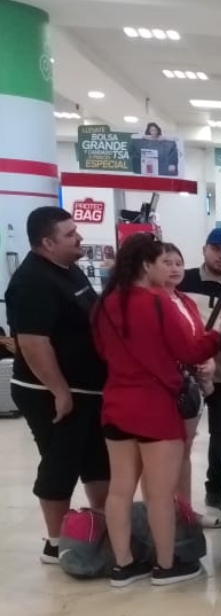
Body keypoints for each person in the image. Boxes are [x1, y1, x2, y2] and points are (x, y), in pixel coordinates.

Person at [93, 233, 221, 586]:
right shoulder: (156, 302)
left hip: (116, 403)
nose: (166, 267)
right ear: (147, 265)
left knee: (119, 489)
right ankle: (166, 566)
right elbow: (192, 350)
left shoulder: (104, 303)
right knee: (160, 494)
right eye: (160, 261)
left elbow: (103, 352)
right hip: (155, 407)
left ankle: (123, 564)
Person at [5, 207, 110, 564]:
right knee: (60, 463)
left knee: (97, 461)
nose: (79, 237)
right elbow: (33, 344)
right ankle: (55, 541)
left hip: (89, 390)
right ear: (47, 243)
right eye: (70, 234)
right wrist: (60, 392)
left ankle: (102, 525)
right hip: (53, 394)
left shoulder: (68, 268)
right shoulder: (31, 282)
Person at [176, 228, 221, 528]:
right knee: (182, 439)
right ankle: (179, 506)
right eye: (217, 248)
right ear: (204, 248)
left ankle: (216, 491)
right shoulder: (183, 280)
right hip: (184, 375)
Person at [162, 243, 214, 508]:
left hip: (188, 388)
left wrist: (207, 361)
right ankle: (161, 515)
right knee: (163, 455)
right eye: (166, 262)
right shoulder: (150, 302)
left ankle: (184, 513)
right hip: (163, 388)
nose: (174, 268)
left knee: (184, 450)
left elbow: (197, 339)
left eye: (178, 263)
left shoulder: (185, 301)